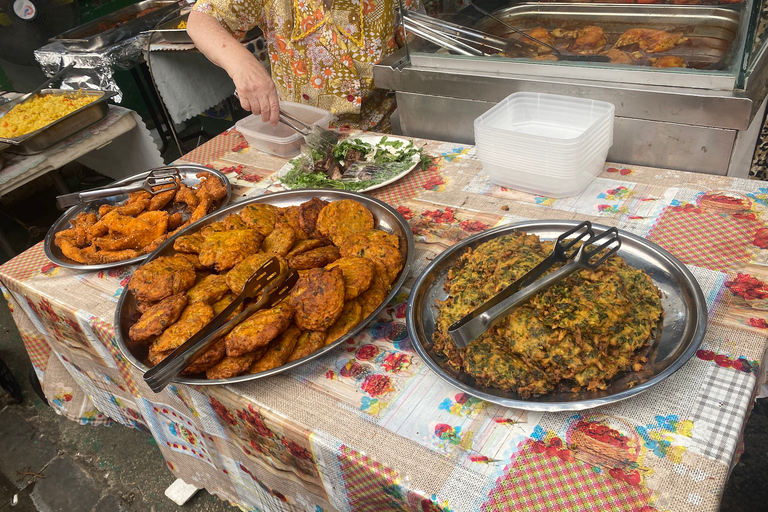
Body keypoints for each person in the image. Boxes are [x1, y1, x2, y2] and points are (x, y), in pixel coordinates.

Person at [187, 0, 422, 132]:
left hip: (389, 131)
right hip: (301, 135)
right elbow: (201, 21)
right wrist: (242, 65)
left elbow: (420, 49)